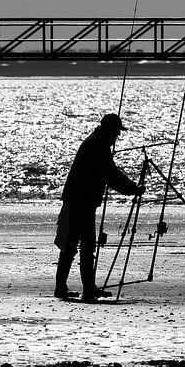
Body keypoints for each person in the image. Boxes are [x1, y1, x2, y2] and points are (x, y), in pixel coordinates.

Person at [55, 113, 145, 301]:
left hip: (83, 202)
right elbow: (112, 176)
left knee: (84, 245)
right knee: (74, 245)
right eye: (116, 133)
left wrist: (131, 189)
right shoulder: (97, 146)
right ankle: (73, 288)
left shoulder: (96, 142)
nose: (117, 137)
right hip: (79, 202)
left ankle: (85, 287)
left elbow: (110, 175)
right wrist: (133, 190)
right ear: (109, 130)